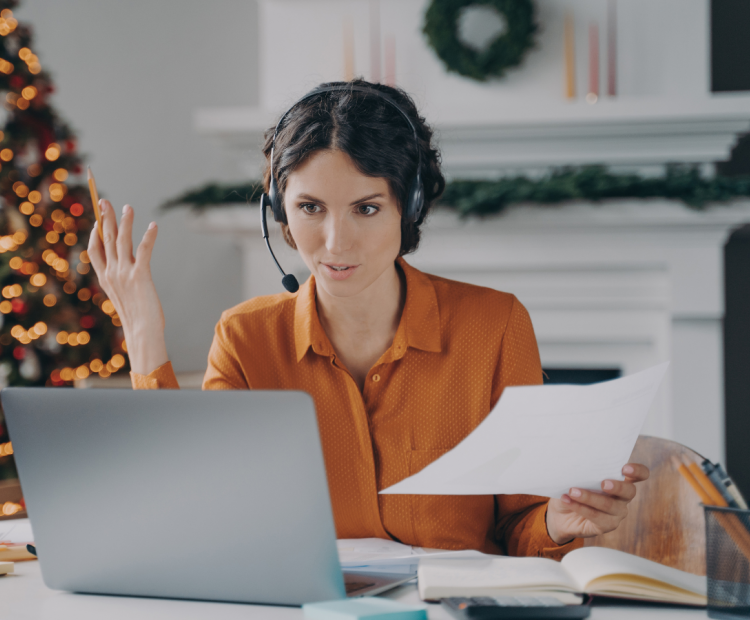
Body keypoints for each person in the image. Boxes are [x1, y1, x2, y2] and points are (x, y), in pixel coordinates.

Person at [86, 79, 649, 560]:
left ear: (412, 206)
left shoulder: (495, 325)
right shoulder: (245, 337)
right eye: (310, 208)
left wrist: (557, 523)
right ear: (279, 212)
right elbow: (193, 514)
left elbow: (519, 527)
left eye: (367, 208)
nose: (335, 242)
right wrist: (142, 333)